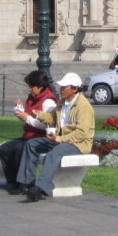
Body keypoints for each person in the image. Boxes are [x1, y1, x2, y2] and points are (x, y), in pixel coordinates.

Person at [17, 72, 95, 202]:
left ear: (74, 88)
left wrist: (58, 139)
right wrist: (39, 115)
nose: (61, 89)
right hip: (61, 139)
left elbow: (81, 133)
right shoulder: (63, 102)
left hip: (78, 144)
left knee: (55, 153)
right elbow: (52, 118)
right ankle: (26, 183)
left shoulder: (84, 107)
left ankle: (40, 188)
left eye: (64, 87)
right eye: (61, 87)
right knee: (32, 144)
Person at [0, 71, 58, 193]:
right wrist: (20, 110)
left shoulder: (49, 102)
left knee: (20, 149)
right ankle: (12, 180)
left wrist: (27, 118)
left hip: (41, 138)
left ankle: (24, 183)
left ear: (40, 87)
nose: (29, 89)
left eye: (31, 86)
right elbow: (29, 116)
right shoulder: (32, 97)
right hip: (28, 136)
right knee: (4, 149)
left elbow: (48, 125)